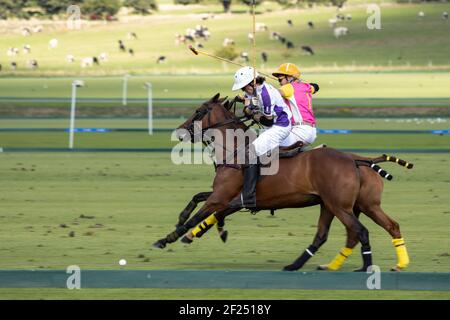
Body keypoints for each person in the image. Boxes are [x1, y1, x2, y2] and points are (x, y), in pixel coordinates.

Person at [230, 66, 292, 208]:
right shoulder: (254, 91)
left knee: (251, 152)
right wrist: (248, 105)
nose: (243, 90)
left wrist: (252, 113)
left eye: (244, 87)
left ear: (252, 83)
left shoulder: (265, 94)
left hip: (279, 126)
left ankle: (249, 197)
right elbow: (249, 104)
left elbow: (267, 120)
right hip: (270, 125)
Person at [272, 63, 319, 148]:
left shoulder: (288, 87)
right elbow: (315, 87)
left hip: (299, 131)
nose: (279, 83)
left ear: (290, 77)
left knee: (267, 142)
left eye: (280, 80)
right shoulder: (307, 87)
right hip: (311, 131)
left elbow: (270, 95)